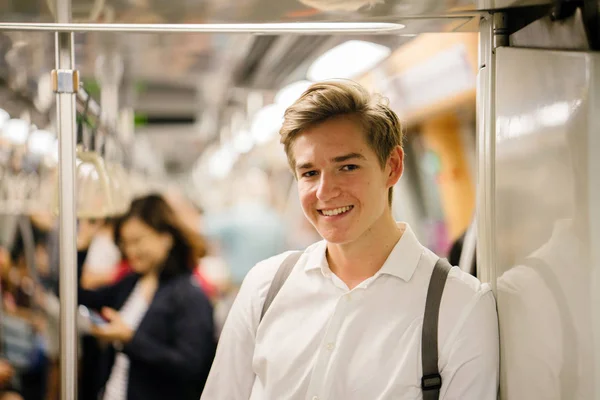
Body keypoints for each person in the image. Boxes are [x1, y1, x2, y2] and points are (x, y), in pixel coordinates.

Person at [201, 80, 499, 399]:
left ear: (393, 167)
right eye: (310, 173)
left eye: (347, 166)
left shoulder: (459, 306)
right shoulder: (264, 289)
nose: (325, 191)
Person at [79, 194, 216, 400]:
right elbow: (82, 298)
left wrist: (130, 339)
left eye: (137, 240)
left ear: (165, 238)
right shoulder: (132, 282)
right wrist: (81, 248)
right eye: (125, 243)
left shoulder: (188, 296)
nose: (130, 250)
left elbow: (191, 367)